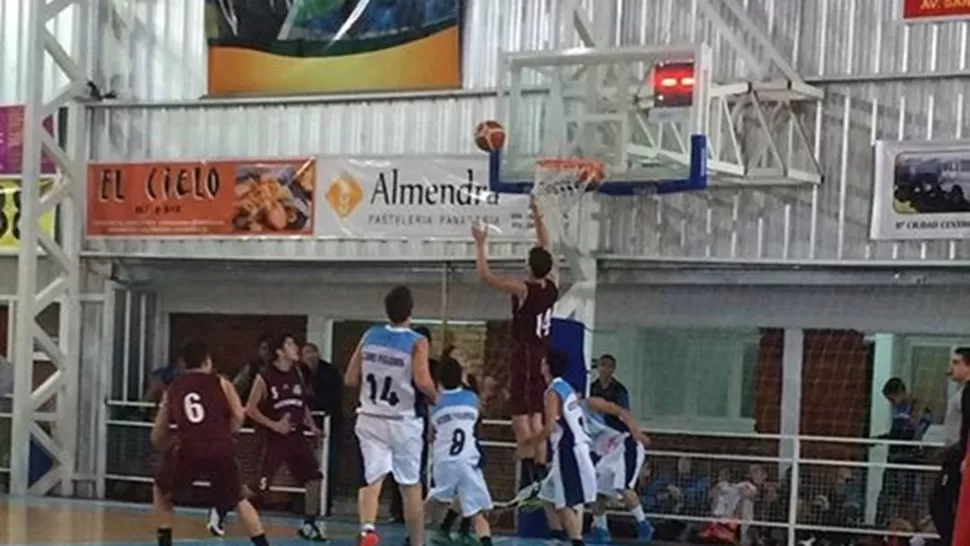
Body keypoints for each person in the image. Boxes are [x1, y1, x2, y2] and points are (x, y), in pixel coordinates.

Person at [472, 197, 557, 496]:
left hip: (524, 356)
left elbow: (486, 276)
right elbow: (545, 246)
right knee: (536, 417)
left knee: (522, 417)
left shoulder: (524, 289)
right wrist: (537, 215)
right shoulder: (552, 284)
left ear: (528, 267)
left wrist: (481, 243)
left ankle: (531, 480)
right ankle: (540, 478)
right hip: (541, 356)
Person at [151, 340, 271, 546]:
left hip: (188, 447)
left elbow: (158, 432)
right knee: (239, 498)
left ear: (183, 364)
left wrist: (164, 446)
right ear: (207, 362)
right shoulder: (221, 383)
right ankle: (261, 543)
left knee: (162, 491)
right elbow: (239, 414)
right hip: (221, 447)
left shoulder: (173, 388)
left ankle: (164, 541)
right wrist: (227, 432)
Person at [344, 285, 437, 546]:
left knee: (372, 479)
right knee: (410, 487)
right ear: (411, 311)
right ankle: (417, 542)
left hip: (370, 416)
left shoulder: (369, 335)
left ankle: (368, 529)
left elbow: (350, 378)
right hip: (402, 420)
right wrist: (437, 399)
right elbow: (422, 381)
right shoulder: (417, 341)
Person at [241, 333, 328, 542]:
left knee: (314, 478)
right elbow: (250, 410)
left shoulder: (297, 372)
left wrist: (312, 426)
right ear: (279, 351)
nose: (296, 347)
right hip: (273, 439)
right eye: (290, 343)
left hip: (296, 437)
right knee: (258, 487)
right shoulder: (264, 376)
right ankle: (222, 507)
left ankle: (309, 525)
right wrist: (275, 425)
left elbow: (301, 404)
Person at [521, 350, 596, 546]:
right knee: (548, 494)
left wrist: (530, 442)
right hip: (578, 445)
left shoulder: (553, 392)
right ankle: (558, 536)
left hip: (568, 449)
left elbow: (550, 427)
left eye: (543, 362)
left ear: (547, 367)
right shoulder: (567, 387)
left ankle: (576, 541)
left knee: (564, 503)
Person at [426, 356, 494, 546]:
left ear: (438, 380)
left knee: (434, 502)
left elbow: (431, 435)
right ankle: (486, 541)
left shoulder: (435, 403)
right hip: (467, 459)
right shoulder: (471, 398)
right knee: (477, 510)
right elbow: (478, 415)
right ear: (461, 377)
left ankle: (412, 535)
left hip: (444, 460)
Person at [583, 396, 653, 543]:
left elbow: (622, 411)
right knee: (595, 490)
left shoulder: (589, 404)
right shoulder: (563, 417)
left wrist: (636, 432)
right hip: (607, 452)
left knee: (622, 486)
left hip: (625, 443)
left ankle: (644, 524)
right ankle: (601, 530)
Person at [389, 325, 438, 525]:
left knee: (419, 469)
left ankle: (419, 512)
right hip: (400, 416)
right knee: (397, 468)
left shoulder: (434, 367)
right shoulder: (401, 363)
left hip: (420, 417)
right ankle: (398, 509)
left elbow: (433, 394)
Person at [930, 348, 970, 545]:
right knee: (945, 503)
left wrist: (961, 453)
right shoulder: (961, 390)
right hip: (955, 454)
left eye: (956, 362)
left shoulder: (968, 392)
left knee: (940, 503)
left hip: (959, 456)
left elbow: (967, 427)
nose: (951, 367)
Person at [300, 342, 344, 517]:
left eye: (313, 352)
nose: (310, 356)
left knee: (329, 463)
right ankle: (301, 502)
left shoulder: (330, 372)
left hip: (330, 423)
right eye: (306, 353)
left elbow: (333, 399)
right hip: (305, 425)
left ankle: (326, 501)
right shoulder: (299, 372)